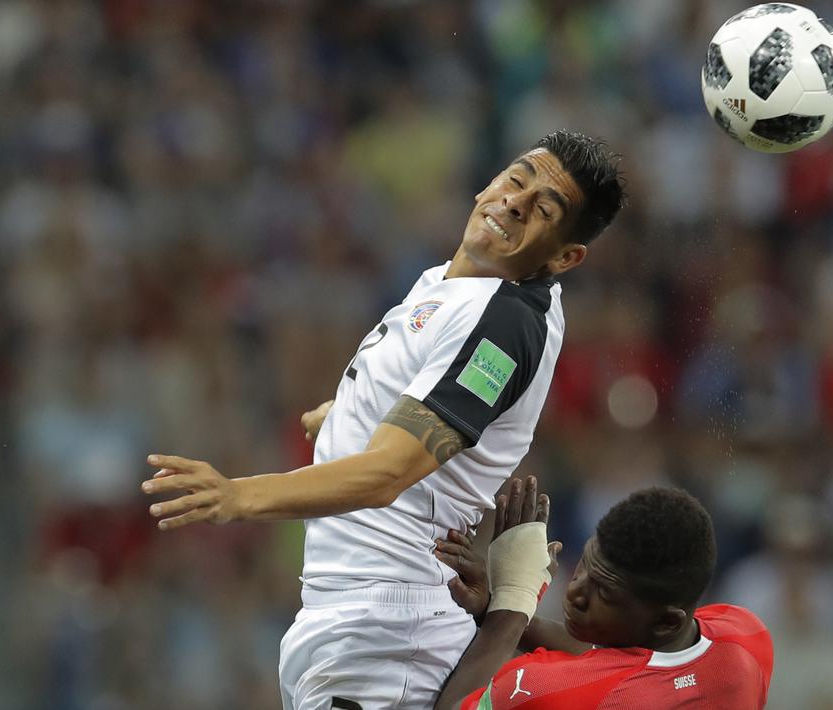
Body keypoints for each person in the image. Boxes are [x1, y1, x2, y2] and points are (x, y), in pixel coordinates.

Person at [140, 130, 625, 709]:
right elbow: (428, 413)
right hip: (357, 617)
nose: (515, 202)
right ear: (489, 184)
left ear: (566, 257)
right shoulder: (451, 286)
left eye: (544, 209)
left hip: (387, 626)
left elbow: (389, 472)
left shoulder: (504, 319)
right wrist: (348, 414)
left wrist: (237, 496)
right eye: (516, 180)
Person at [432, 476, 774, 710]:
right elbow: (628, 662)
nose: (574, 592)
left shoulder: (554, 693)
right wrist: (496, 609)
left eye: (606, 593)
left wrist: (512, 602)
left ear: (667, 622)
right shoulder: (745, 638)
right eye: (584, 564)